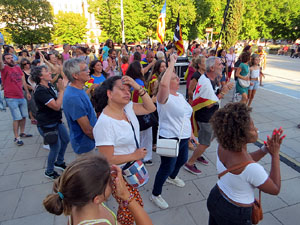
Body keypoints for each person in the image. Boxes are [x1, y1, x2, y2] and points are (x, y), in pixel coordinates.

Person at [207, 102, 285, 225]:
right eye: (253, 128)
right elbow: (275, 189)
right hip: (236, 214)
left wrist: (264, 150)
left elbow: (243, 162)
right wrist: (275, 154)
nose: (256, 130)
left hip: (216, 197)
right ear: (241, 134)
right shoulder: (253, 169)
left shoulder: (223, 145)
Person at [92, 75, 155, 225]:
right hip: (119, 174)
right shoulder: (105, 123)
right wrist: (135, 154)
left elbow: (150, 107)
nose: (127, 92)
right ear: (109, 93)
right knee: (132, 207)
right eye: (122, 89)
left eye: (129, 89)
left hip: (132, 167)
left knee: (131, 206)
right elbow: (106, 159)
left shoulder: (127, 108)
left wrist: (137, 86)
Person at [43, 155, 153, 225]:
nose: (113, 181)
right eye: (110, 181)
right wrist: (127, 196)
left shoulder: (77, 203)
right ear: (97, 198)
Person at [150, 54, 196, 209]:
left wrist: (190, 134)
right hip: (170, 137)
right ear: (167, 81)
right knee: (166, 166)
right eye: (174, 77)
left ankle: (172, 177)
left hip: (183, 137)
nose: (178, 79)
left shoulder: (180, 96)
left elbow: (186, 115)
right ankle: (155, 194)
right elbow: (163, 86)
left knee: (182, 160)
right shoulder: (164, 97)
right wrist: (171, 64)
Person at [184, 57, 234, 175]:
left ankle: (198, 153)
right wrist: (223, 92)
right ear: (212, 68)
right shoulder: (206, 82)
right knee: (205, 143)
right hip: (206, 118)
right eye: (219, 64)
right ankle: (190, 163)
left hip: (210, 117)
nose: (222, 66)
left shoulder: (208, 79)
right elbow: (209, 104)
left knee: (208, 139)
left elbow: (211, 96)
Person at [31, 65, 69, 179]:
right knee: (55, 147)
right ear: (40, 76)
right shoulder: (40, 91)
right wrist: (62, 91)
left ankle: (60, 161)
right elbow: (57, 106)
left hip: (56, 120)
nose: (49, 72)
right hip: (47, 124)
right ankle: (49, 171)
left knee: (66, 140)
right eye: (46, 71)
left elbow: (57, 100)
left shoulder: (48, 85)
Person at [62, 58, 97, 156]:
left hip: (88, 142)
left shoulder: (78, 89)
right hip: (85, 145)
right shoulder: (73, 97)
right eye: (85, 69)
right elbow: (87, 129)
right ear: (75, 75)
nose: (89, 71)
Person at [0, 47, 32, 146]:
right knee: (16, 117)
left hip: (21, 95)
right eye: (8, 58)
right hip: (11, 97)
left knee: (23, 116)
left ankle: (22, 132)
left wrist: (27, 92)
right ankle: (16, 137)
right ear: (4, 61)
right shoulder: (4, 68)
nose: (11, 59)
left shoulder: (18, 67)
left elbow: (23, 80)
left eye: (11, 57)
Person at [126, 61, 154, 165]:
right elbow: (143, 101)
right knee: (146, 136)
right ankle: (146, 157)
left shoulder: (129, 81)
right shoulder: (139, 83)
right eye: (142, 67)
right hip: (142, 112)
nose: (143, 69)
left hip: (132, 112)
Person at [20, 58, 37, 124]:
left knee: (35, 103)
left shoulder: (32, 70)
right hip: (27, 90)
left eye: (28, 63)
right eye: (25, 64)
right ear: (22, 65)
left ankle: (36, 116)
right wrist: (30, 88)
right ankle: (32, 118)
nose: (27, 65)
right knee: (30, 104)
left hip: (35, 88)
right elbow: (23, 82)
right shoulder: (22, 72)